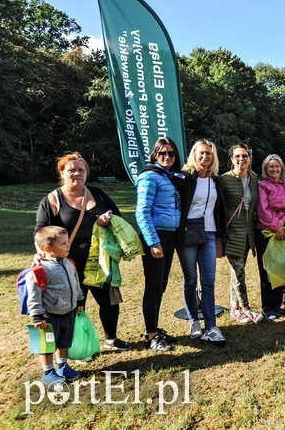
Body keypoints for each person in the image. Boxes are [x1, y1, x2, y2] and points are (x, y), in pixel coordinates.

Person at [35, 152, 130, 352]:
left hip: (99, 262)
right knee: (75, 306)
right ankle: (77, 346)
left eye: (81, 169)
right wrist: (41, 254)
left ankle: (111, 339)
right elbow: (40, 231)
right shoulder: (53, 199)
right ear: (62, 173)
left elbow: (118, 218)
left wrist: (107, 221)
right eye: (71, 170)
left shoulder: (98, 194)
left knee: (109, 302)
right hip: (68, 264)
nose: (77, 173)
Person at [135, 137, 184, 351]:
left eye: (171, 153)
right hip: (157, 236)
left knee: (161, 285)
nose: (167, 157)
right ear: (154, 155)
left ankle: (153, 328)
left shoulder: (168, 176)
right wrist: (153, 242)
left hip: (169, 234)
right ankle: (151, 335)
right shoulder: (149, 177)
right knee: (154, 286)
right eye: (162, 153)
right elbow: (142, 212)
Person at [177, 140, 226, 344]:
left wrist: (221, 235)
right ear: (194, 155)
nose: (205, 157)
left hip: (209, 233)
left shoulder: (215, 180)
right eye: (202, 153)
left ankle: (211, 326)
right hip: (188, 233)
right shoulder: (185, 178)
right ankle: (194, 320)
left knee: (208, 281)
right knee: (190, 280)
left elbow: (220, 209)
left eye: (209, 154)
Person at [27, 226, 85, 386]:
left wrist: (79, 300)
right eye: (63, 244)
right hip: (49, 316)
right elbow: (33, 295)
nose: (68, 246)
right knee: (46, 345)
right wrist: (37, 316)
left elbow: (76, 282)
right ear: (48, 248)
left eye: (67, 242)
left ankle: (62, 366)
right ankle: (47, 372)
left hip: (68, 311)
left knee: (64, 342)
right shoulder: (39, 270)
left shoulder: (69, 263)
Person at [219, 144, 264, 324]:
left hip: (248, 233)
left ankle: (234, 308)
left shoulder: (254, 179)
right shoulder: (224, 180)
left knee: (237, 271)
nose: (241, 159)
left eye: (245, 156)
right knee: (239, 272)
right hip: (232, 232)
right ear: (231, 159)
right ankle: (245, 308)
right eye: (237, 156)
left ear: (249, 158)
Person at [256, 154, 285, 320]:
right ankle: (268, 307)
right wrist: (276, 225)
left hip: (283, 231)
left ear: (282, 168)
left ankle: (277, 304)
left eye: (277, 166)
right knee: (266, 269)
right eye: (270, 167)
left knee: (280, 267)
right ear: (265, 169)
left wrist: (283, 224)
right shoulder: (262, 185)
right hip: (266, 232)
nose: (274, 169)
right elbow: (262, 209)